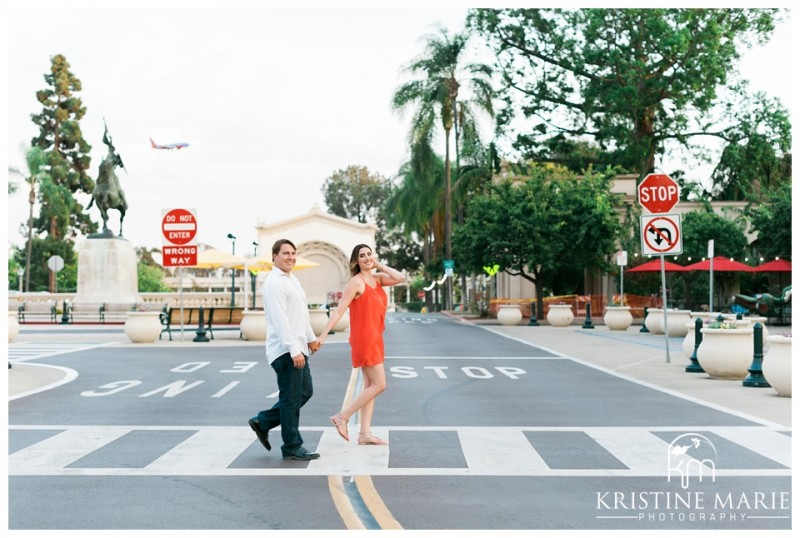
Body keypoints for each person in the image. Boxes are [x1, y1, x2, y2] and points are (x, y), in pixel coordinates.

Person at [318, 244, 406, 445]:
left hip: (375, 336)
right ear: (356, 261)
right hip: (364, 338)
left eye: (369, 254)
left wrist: (380, 266)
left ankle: (365, 434)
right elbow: (339, 311)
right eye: (362, 256)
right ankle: (342, 417)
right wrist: (323, 335)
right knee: (380, 384)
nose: (366, 258)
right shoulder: (356, 283)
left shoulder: (377, 279)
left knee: (370, 385)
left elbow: (401, 277)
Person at [248, 239, 321, 460]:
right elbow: (281, 321)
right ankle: (291, 445)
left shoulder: (292, 280)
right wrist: (293, 350)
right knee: (290, 399)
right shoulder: (274, 283)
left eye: (293, 253)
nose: (290, 257)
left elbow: (300, 314)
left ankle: (264, 421)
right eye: (286, 253)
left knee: (304, 392)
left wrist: (310, 338)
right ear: (275, 256)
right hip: (286, 351)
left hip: (298, 348)